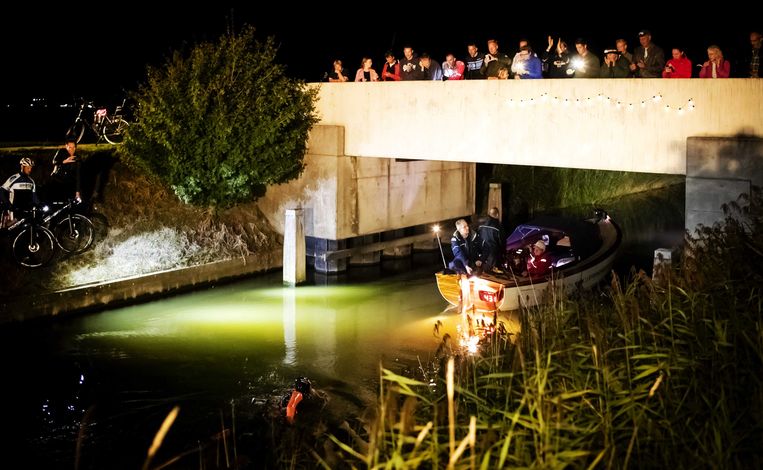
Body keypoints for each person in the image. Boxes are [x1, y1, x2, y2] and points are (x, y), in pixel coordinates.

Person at [1, 157, 39, 224]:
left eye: (31, 168)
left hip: (25, 212)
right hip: (14, 212)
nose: (30, 170)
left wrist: (38, 205)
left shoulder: (31, 181)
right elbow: (1, 191)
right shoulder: (14, 178)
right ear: (22, 167)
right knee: (11, 232)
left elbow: (34, 197)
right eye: (28, 168)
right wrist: (8, 205)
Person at [47, 136, 82, 202]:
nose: (72, 149)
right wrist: (64, 161)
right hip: (56, 180)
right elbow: (54, 161)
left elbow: (78, 176)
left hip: (67, 183)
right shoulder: (61, 152)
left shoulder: (77, 158)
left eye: (73, 147)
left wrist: (77, 191)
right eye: (70, 147)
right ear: (66, 146)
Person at [478, 207, 505, 271]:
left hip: (482, 251)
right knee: (493, 271)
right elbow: (502, 241)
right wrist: (503, 252)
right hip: (493, 252)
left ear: (489, 214)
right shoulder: (498, 226)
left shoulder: (481, 225)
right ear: (497, 215)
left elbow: (478, 237)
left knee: (483, 269)